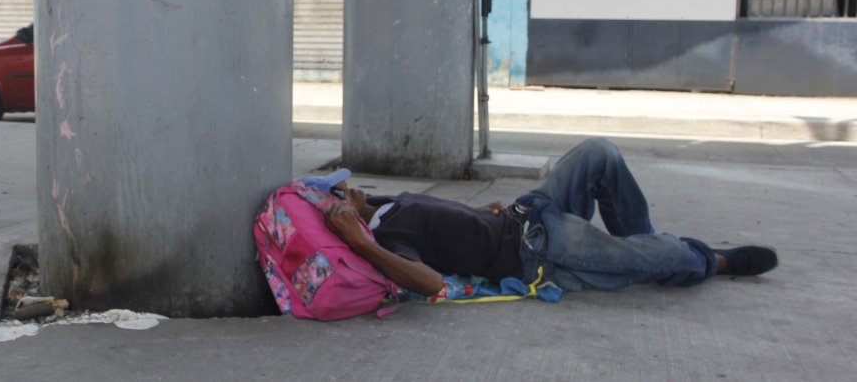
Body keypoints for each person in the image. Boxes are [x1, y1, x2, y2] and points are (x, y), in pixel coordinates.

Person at [323, 137, 779, 296]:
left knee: (599, 153)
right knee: (659, 254)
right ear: (343, 220)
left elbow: (449, 223)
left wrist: (479, 211)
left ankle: (648, 252)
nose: (348, 186)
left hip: (529, 212)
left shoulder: (387, 206)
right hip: (538, 252)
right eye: (337, 194)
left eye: (343, 184)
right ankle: (707, 261)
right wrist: (359, 242)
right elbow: (429, 283)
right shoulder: (384, 241)